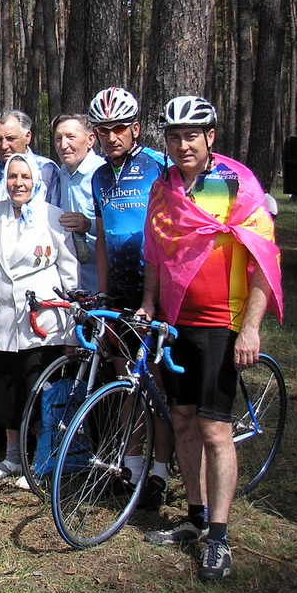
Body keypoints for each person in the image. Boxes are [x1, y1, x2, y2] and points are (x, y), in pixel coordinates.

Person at [139, 96, 282, 582]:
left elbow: (262, 258)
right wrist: (150, 304)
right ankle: (195, 517)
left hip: (222, 321)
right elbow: (155, 252)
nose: (182, 145)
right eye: (174, 137)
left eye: (191, 136)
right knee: (182, 419)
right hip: (177, 320)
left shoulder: (235, 182)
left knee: (215, 430)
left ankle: (219, 537)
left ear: (210, 137)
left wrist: (251, 327)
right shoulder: (164, 186)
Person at [0, 153, 78, 486]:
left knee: (38, 392)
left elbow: (70, 274)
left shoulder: (53, 217)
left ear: (36, 181)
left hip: (44, 324)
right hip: (2, 320)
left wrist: (72, 331)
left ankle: (40, 460)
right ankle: (12, 457)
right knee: (6, 391)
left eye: (25, 177)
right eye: (13, 177)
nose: (18, 183)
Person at [88, 85, 171, 508]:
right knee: (126, 380)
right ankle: (133, 466)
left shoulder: (158, 165)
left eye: (119, 128)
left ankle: (161, 471)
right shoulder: (99, 176)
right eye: (103, 130)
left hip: (156, 288)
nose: (111, 137)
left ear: (135, 128)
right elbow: (103, 237)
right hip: (119, 289)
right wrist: (103, 293)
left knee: (155, 384)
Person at [52, 114, 105, 292]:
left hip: (102, 276)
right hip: (71, 276)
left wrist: (88, 224)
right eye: (58, 138)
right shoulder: (61, 173)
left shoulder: (103, 173)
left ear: (90, 140)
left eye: (70, 137)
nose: (63, 145)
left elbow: (119, 226)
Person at [0, 110, 62, 206]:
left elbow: (56, 211)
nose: (4, 146)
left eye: (10, 138)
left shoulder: (46, 170)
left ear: (27, 137)